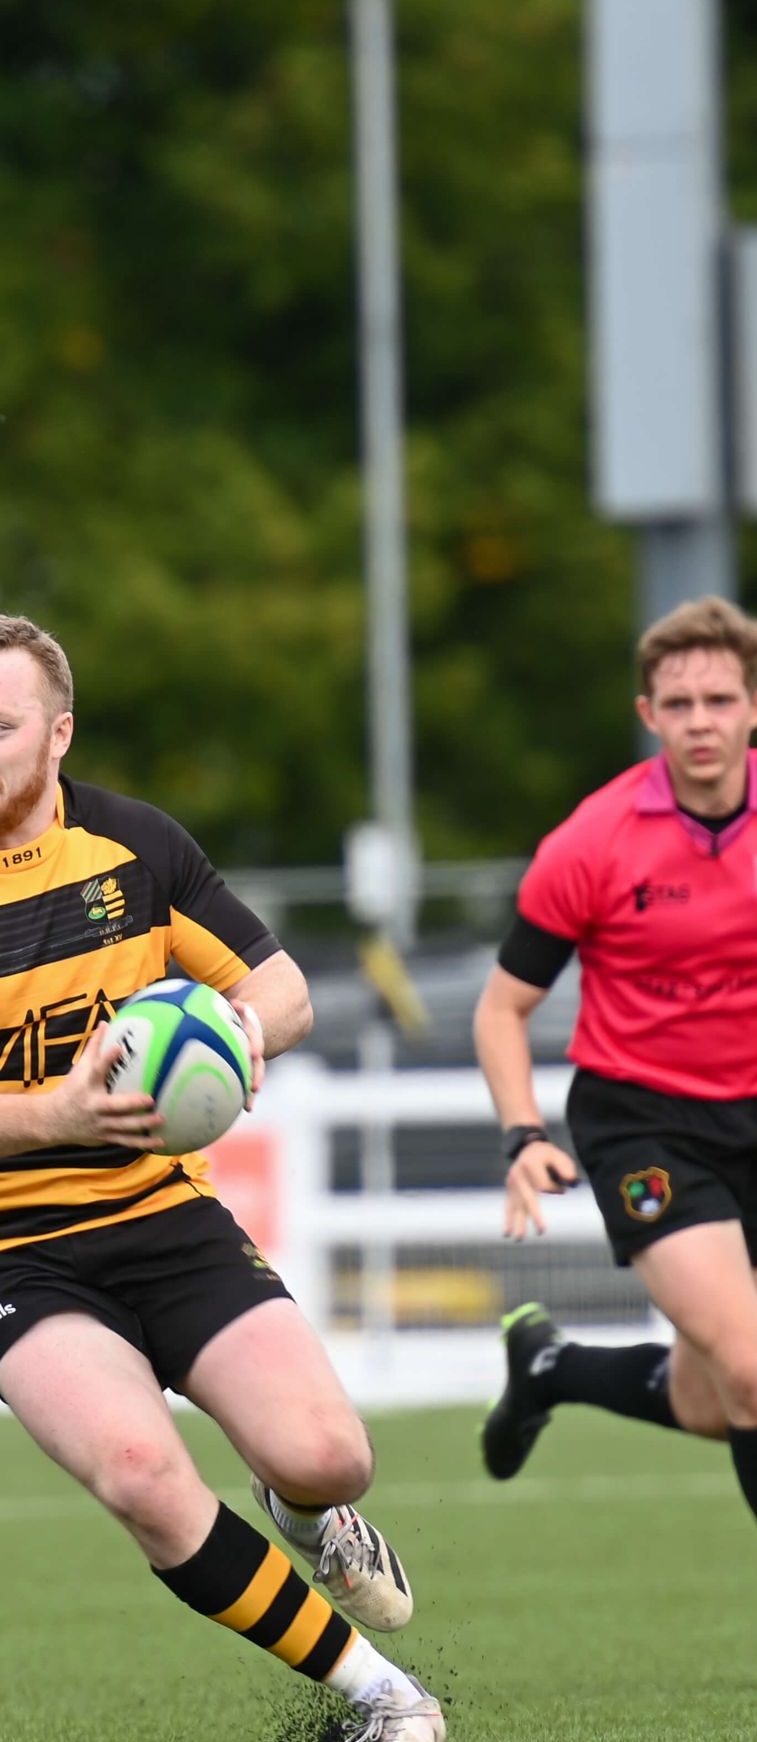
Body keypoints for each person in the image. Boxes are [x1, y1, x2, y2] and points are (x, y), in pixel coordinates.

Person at [0, 616, 444, 1742]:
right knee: (144, 1467)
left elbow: (283, 984)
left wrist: (233, 1031)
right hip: (15, 1253)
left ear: (57, 734)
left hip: (161, 1214)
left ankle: (312, 1512)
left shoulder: (134, 847)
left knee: (329, 1452)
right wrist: (54, 1112)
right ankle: (380, 1694)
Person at [472, 595, 757, 1690]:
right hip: (637, 1121)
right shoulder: (594, 838)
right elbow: (500, 1007)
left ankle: (554, 1365)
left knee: (723, 1401)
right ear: (648, 714)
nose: (701, 719)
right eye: (678, 703)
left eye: (721, 699)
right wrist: (523, 1131)